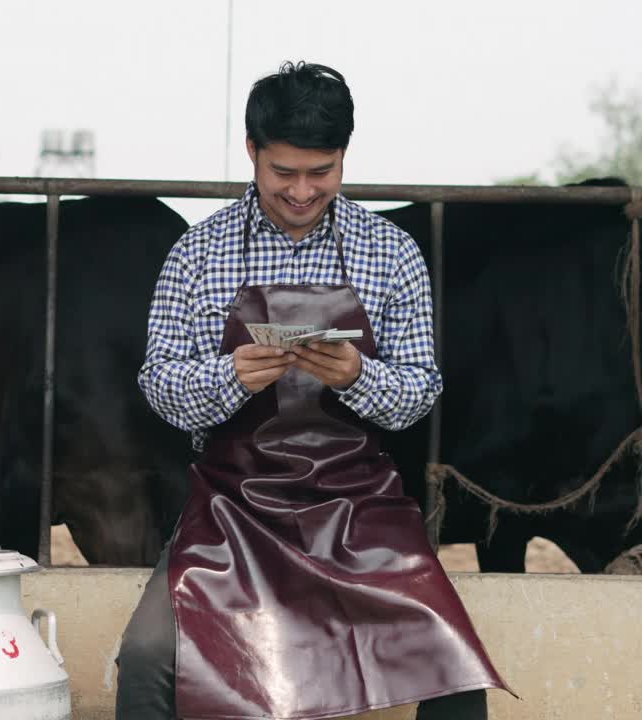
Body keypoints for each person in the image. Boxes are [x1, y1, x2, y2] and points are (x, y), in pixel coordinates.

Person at [116, 61, 512, 720]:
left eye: (321, 172)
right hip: (233, 509)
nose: (302, 191)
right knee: (149, 654)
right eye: (284, 173)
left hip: (356, 504)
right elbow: (158, 382)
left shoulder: (391, 252)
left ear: (343, 158)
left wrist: (358, 376)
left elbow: (419, 391)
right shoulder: (197, 253)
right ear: (252, 152)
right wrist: (228, 377)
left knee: (450, 661)